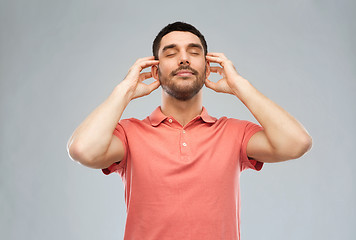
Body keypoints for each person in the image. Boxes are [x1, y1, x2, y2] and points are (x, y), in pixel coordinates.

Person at [67, 21, 312, 240]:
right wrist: (124, 91)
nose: (184, 59)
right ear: (154, 70)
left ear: (207, 68)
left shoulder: (234, 133)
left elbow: (297, 143)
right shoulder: (129, 134)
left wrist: (240, 86)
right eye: (171, 53)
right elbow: (82, 150)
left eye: (194, 52)